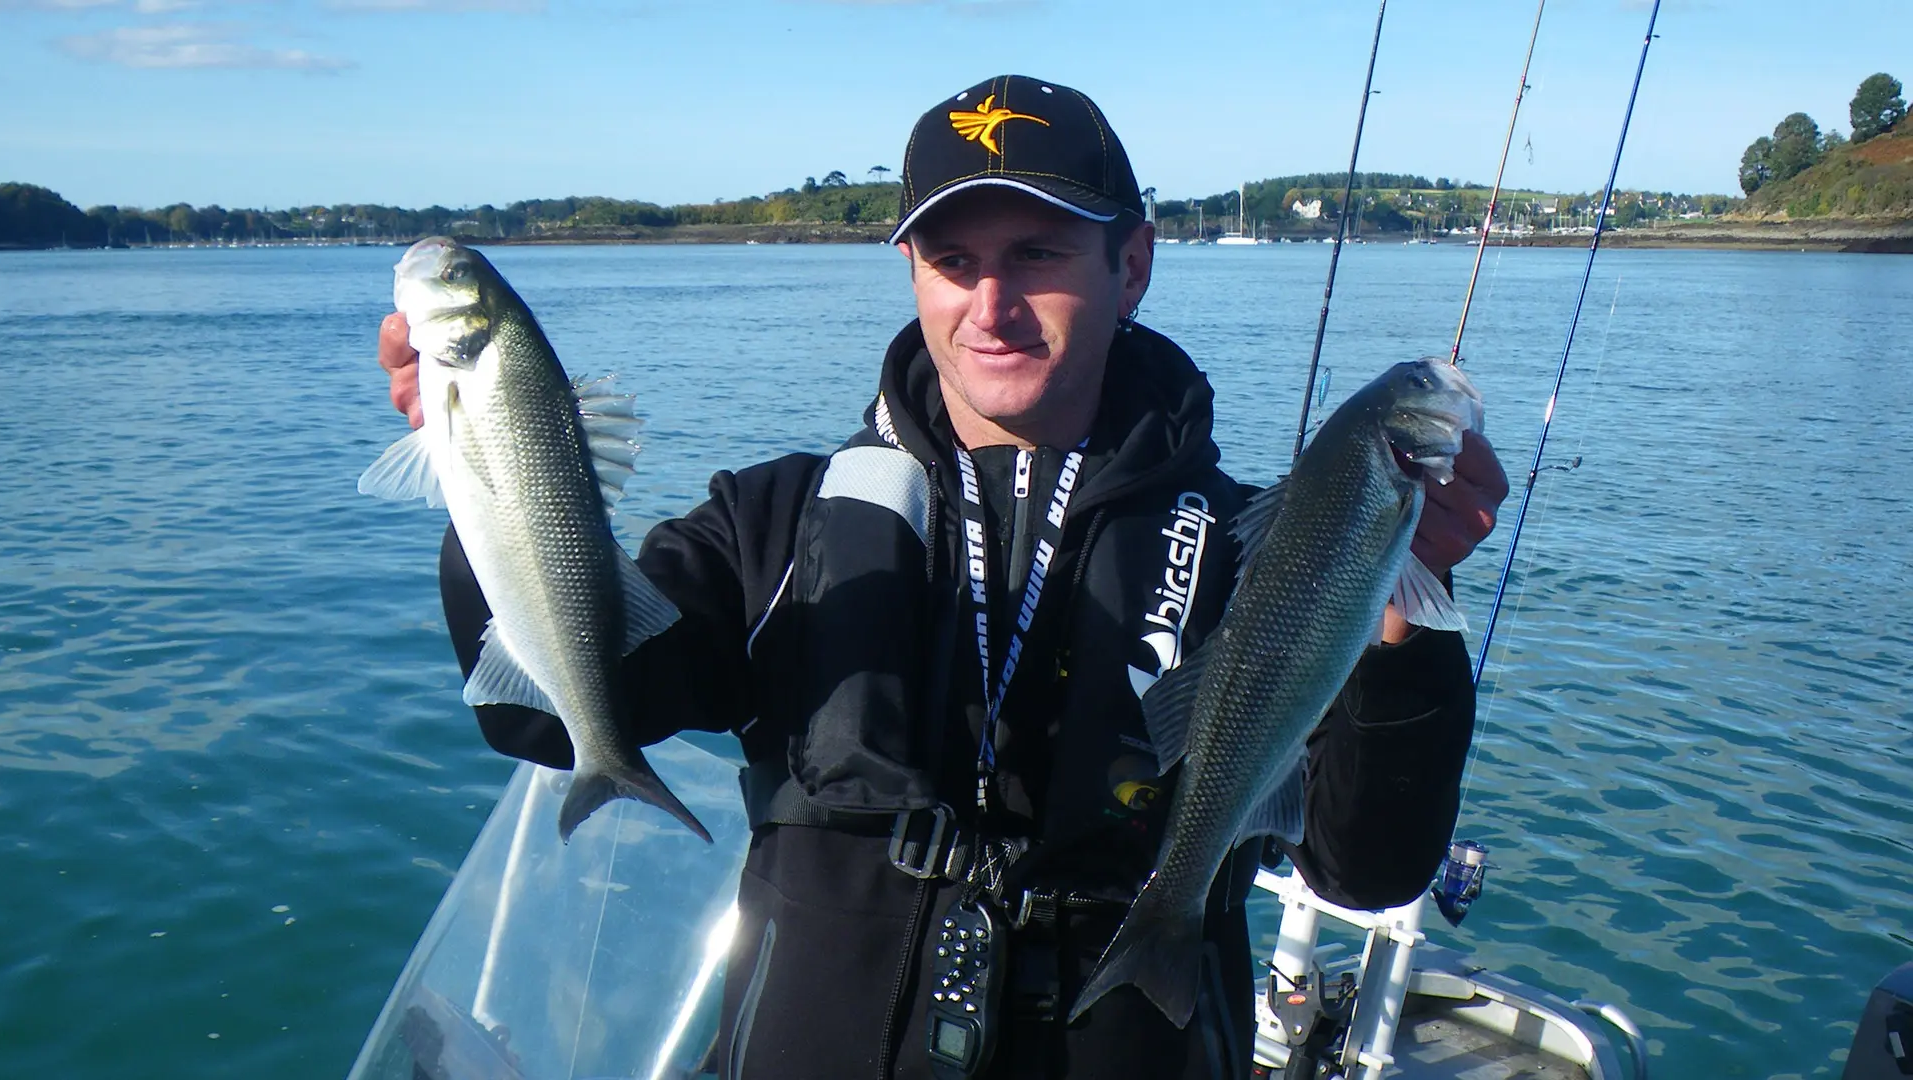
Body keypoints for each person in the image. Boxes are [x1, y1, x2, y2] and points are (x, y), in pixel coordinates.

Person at [376, 75, 1508, 1080]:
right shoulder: (772, 521)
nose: (991, 306)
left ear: (1134, 265)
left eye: (1040, 255)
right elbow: (554, 721)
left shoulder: (1266, 547)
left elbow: (1368, 869)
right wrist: (488, 478)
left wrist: (1402, 612)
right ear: (911, 269)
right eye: (955, 261)